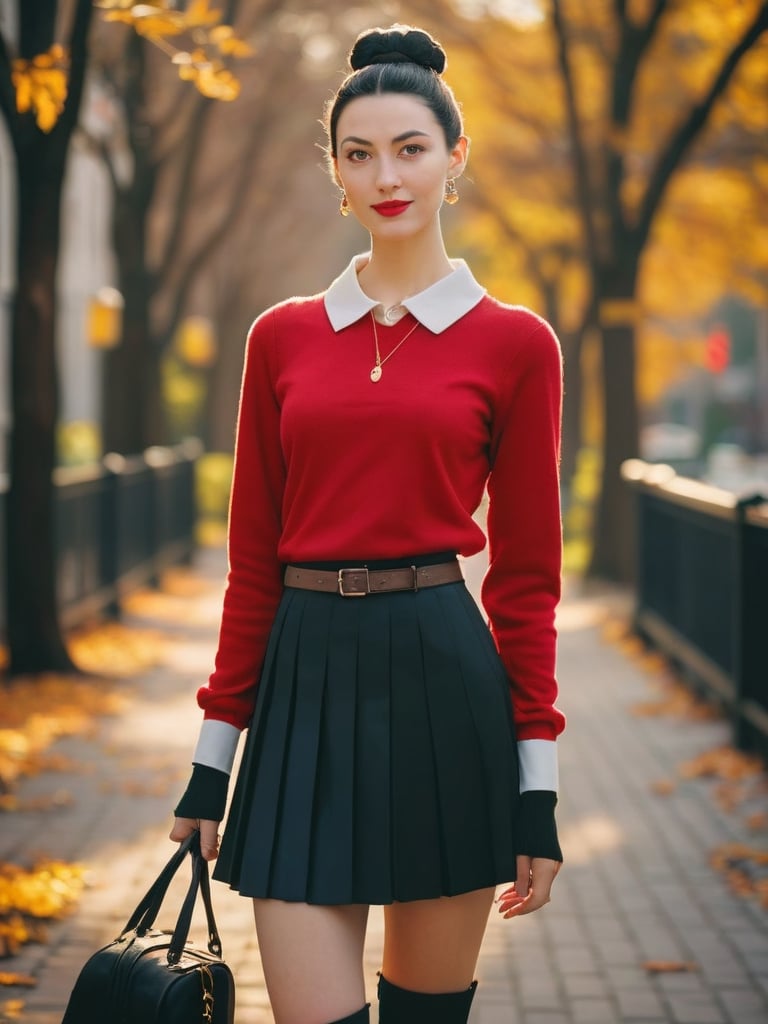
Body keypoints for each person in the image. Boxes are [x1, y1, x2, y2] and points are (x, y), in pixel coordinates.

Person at [171, 23, 564, 1024]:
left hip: (446, 687)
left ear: (453, 158)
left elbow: (525, 582)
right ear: (336, 172)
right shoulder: (283, 337)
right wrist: (210, 765)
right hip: (304, 686)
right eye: (359, 153)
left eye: (410, 148)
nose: (386, 175)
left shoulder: (518, 344)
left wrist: (539, 792)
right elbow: (252, 561)